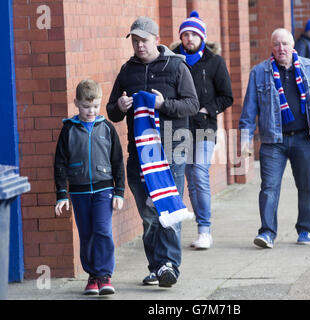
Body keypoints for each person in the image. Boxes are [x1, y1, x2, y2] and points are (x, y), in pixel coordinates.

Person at [106, 17, 199, 287]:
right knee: (148, 214)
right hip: (139, 154)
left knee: (167, 208)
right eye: (135, 41)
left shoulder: (177, 66)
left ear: (156, 40)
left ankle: (169, 265)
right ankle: (156, 266)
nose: (139, 46)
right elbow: (112, 111)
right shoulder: (127, 71)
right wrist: (121, 107)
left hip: (171, 150)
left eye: (143, 40)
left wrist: (163, 104)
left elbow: (192, 105)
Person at [239, 28, 310, 249]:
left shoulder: (309, 68)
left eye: (285, 44)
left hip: (302, 138)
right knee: (269, 187)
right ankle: (267, 233)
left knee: (306, 185)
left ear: (293, 46)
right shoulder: (259, 73)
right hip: (273, 142)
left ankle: (306, 229)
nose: (281, 48)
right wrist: (245, 139)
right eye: (277, 44)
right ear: (272, 47)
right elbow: (249, 110)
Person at [54, 79, 125, 295]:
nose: (91, 111)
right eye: (86, 106)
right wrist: (61, 195)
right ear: (76, 103)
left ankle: (104, 275)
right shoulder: (69, 130)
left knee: (102, 231)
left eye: (95, 106)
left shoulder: (107, 128)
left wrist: (119, 191)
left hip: (104, 190)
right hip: (79, 191)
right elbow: (59, 163)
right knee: (86, 234)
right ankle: (92, 276)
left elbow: (117, 161)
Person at [170, 11, 233, 249]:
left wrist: (208, 109)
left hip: (204, 126)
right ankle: (191, 227)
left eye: (193, 33)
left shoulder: (215, 62)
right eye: (185, 33)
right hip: (177, 128)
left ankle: (205, 229)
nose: (189, 38)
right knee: (188, 178)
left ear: (202, 37)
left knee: (199, 173)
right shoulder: (172, 60)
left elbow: (227, 96)